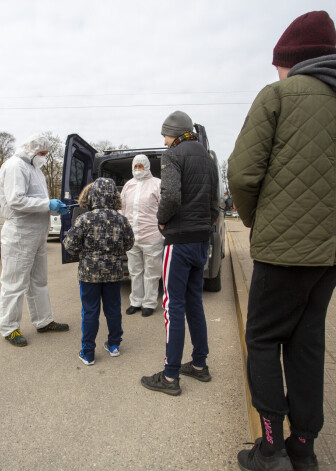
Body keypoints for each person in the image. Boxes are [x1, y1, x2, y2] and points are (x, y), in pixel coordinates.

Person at [227, 11, 336, 471]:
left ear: (292, 60)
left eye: (278, 63)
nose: (275, 72)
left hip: (282, 250)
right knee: (307, 341)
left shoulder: (277, 96)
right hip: (332, 252)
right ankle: (304, 447)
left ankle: (270, 446)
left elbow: (241, 172)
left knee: (262, 337)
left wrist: (259, 218)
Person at [140, 110, 219, 396]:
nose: (163, 140)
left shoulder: (173, 155)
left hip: (180, 240)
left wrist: (162, 220)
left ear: (174, 132)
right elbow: (215, 202)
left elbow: (170, 195)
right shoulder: (207, 158)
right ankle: (199, 365)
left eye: (164, 134)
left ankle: (170, 376)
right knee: (194, 302)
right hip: (201, 240)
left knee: (173, 306)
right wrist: (206, 225)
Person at [0, 133, 71, 347]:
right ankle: (9, 328)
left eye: (46, 154)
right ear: (31, 149)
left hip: (38, 233)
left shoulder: (36, 170)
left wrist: (52, 210)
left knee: (38, 280)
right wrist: (48, 205)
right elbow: (16, 201)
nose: (44, 157)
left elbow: (37, 201)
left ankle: (43, 321)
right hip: (20, 232)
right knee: (14, 283)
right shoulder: (15, 166)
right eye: (41, 153)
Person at [63, 178, 135, 365]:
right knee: (113, 309)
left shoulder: (84, 219)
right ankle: (113, 345)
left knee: (90, 311)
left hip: (89, 274)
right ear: (114, 197)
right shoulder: (121, 220)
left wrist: (84, 252)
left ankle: (88, 353)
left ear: (91, 195)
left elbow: (70, 246)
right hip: (114, 273)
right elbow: (129, 243)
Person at [120, 154, 163, 317]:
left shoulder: (157, 184)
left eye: (141, 166)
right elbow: (122, 209)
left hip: (152, 235)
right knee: (134, 271)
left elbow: (164, 208)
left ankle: (149, 303)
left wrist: (162, 228)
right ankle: (136, 301)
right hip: (132, 237)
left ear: (147, 166)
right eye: (136, 166)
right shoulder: (128, 185)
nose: (138, 169)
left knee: (152, 272)